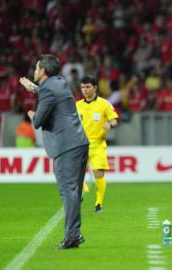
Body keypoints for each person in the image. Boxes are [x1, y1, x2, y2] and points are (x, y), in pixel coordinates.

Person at [19, 54, 89, 249]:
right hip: (79, 143)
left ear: (43, 71)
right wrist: (34, 89)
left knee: (68, 191)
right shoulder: (60, 82)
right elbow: (49, 91)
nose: (33, 71)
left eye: (36, 68)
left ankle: (72, 236)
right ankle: (74, 233)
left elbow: (39, 120)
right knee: (74, 192)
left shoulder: (49, 89)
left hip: (66, 146)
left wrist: (32, 114)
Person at [76, 76, 118, 213]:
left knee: (98, 173)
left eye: (87, 87)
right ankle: (83, 189)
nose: (85, 90)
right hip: (80, 143)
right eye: (82, 87)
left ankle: (99, 203)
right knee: (75, 173)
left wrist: (109, 124)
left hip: (97, 144)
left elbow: (115, 120)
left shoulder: (104, 104)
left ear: (95, 88)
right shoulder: (77, 105)